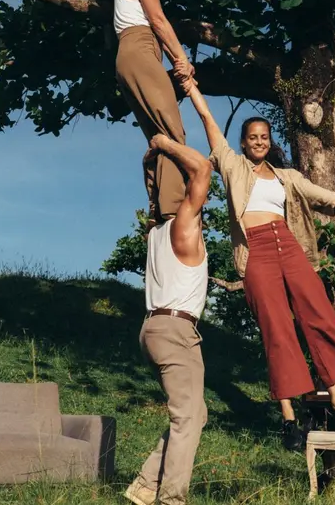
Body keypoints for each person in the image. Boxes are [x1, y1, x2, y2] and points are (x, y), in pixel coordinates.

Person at [181, 79, 335, 452]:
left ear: (270, 141)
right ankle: (289, 420)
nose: (259, 141)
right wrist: (191, 87)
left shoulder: (288, 178)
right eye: (252, 137)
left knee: (319, 317)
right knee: (277, 330)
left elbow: (330, 196)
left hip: (289, 247)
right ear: (242, 142)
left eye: (264, 136)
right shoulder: (233, 166)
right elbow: (207, 118)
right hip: (256, 254)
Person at [124, 133, 212, 505]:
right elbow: (204, 169)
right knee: (187, 419)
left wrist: (151, 165)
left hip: (154, 328)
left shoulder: (155, 232)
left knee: (195, 414)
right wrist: (164, 143)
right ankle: (171, 499)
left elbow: (156, 199)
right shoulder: (182, 226)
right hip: (176, 329)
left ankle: (146, 486)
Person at [112, 0, 196, 226]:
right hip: (139, 49)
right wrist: (181, 58)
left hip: (133, 54)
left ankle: (159, 210)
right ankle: (175, 210)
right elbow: (158, 20)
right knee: (173, 132)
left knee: (160, 137)